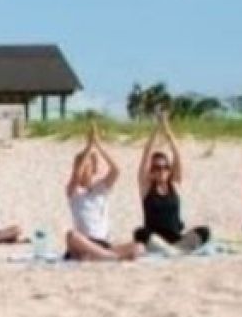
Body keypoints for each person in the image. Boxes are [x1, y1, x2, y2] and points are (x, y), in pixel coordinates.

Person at [132, 111, 211, 252]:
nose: (161, 170)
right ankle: (173, 250)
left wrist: (167, 129)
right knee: (140, 233)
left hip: (176, 238)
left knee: (204, 231)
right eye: (157, 167)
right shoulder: (147, 187)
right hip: (155, 239)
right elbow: (146, 153)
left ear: (169, 170)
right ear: (151, 171)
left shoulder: (174, 185)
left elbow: (177, 154)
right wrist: (157, 127)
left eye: (165, 167)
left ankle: (173, 250)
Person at [65, 122, 136, 261]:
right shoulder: (74, 192)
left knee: (138, 246)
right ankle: (110, 257)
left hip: (102, 243)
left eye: (87, 166)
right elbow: (76, 175)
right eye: (80, 166)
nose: (82, 169)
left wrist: (98, 145)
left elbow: (116, 170)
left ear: (94, 169)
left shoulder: (101, 188)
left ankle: (101, 255)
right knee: (71, 236)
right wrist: (88, 147)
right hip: (84, 242)